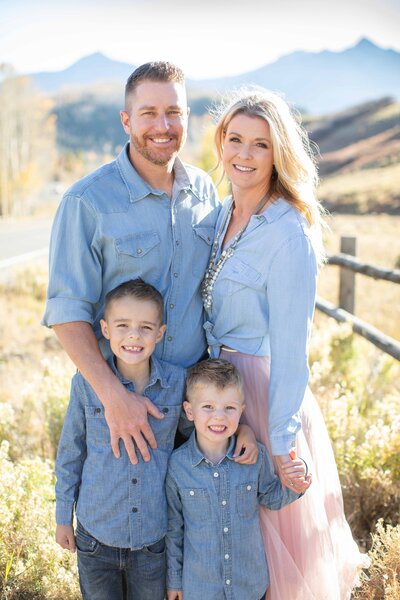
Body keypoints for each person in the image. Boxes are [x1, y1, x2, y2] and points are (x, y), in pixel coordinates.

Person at [42, 61, 256, 464]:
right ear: (126, 120)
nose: (163, 125)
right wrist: (114, 397)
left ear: (187, 118)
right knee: (121, 523)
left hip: (196, 408)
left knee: (195, 523)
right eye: (148, 113)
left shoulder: (205, 192)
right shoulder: (86, 201)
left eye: (174, 112)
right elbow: (67, 313)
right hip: (125, 403)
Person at [201, 88, 369, 599]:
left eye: (260, 145)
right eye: (235, 140)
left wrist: (280, 442)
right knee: (224, 550)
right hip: (214, 391)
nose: (244, 155)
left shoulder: (289, 232)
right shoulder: (218, 217)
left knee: (269, 560)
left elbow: (293, 351)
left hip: (264, 393)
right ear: (220, 142)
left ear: (279, 154)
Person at [55, 279, 186, 599]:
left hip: (152, 541)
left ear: (160, 332)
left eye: (145, 327)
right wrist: (62, 517)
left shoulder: (177, 383)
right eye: (123, 325)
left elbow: (198, 437)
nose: (133, 335)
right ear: (106, 329)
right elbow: (71, 450)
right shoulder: (87, 383)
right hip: (95, 536)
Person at [166, 359, 311, 600]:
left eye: (229, 408)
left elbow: (272, 497)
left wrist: (296, 483)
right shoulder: (178, 466)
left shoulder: (255, 456)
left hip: (249, 585)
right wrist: (174, 580)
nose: (219, 417)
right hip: (200, 587)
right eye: (208, 407)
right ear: (189, 411)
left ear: (241, 410)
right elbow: (174, 527)